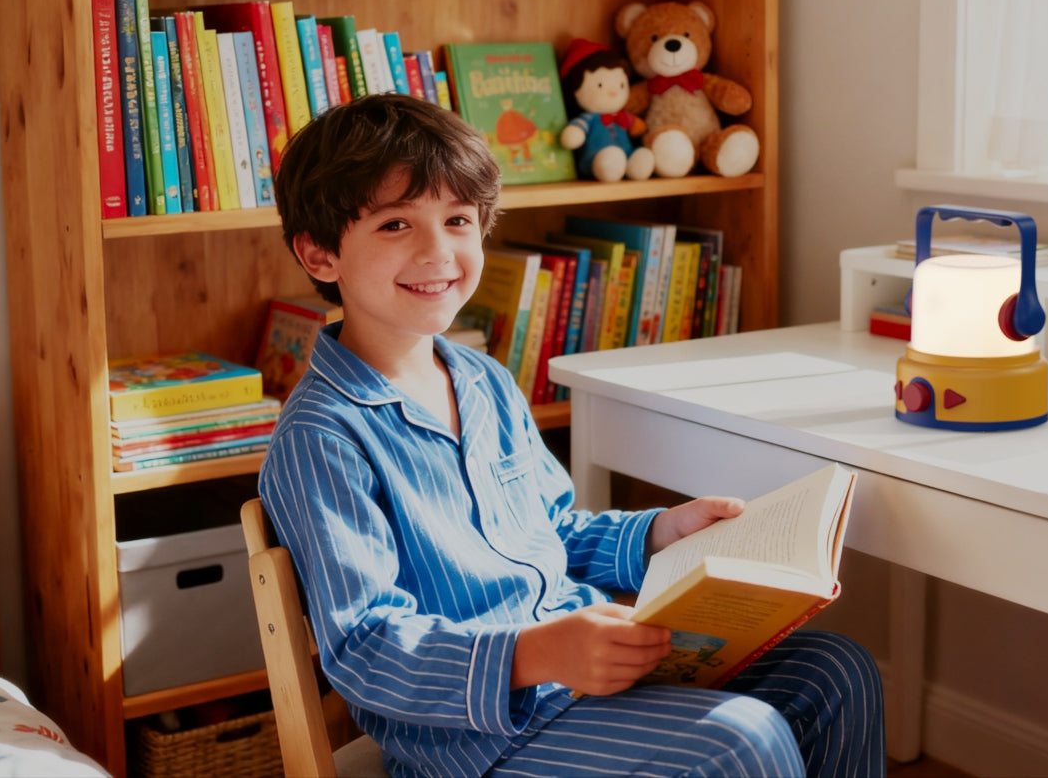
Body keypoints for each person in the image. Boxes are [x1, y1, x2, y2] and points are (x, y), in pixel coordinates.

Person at [260, 92, 885, 778]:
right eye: (395, 226)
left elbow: (550, 528)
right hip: (477, 743)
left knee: (837, 671)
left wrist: (656, 535)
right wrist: (537, 653)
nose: (438, 251)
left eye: (458, 219)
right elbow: (366, 646)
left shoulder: (482, 380)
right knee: (740, 739)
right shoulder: (322, 436)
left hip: (579, 682)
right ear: (321, 255)